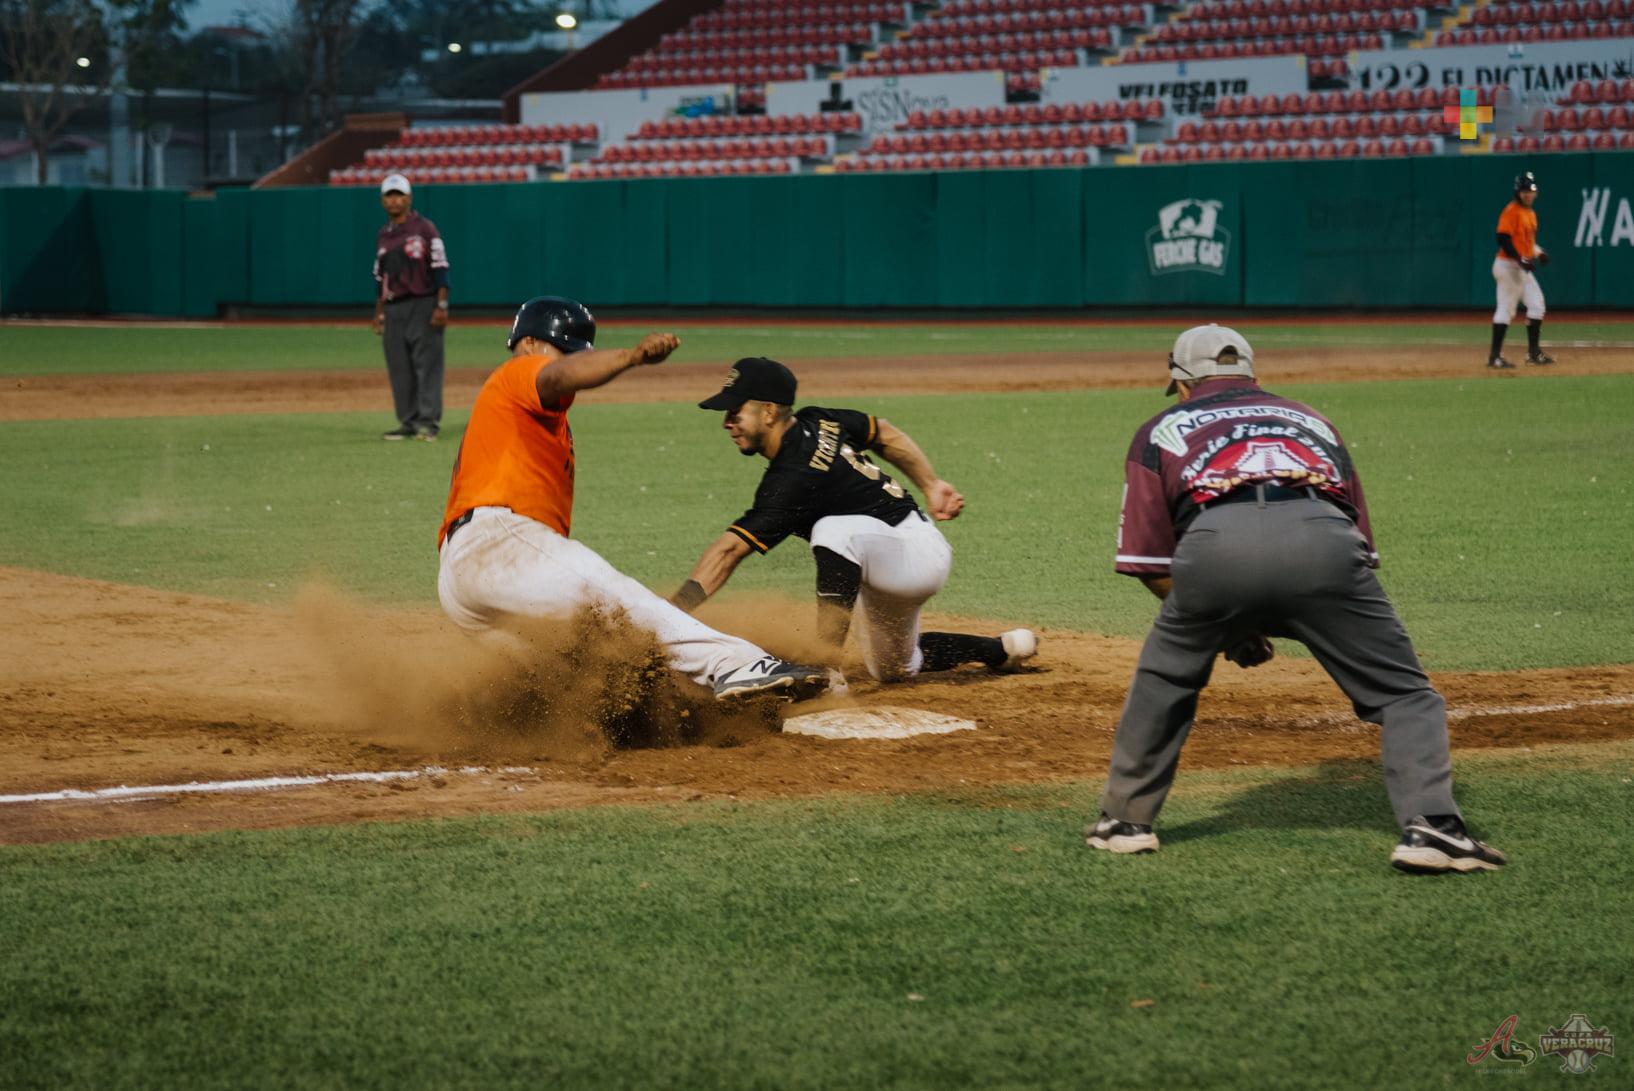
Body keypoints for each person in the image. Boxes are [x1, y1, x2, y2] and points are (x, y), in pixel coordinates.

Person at [1087, 324, 1505, 874]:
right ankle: (1435, 829)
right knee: (1405, 695)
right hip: (1323, 541)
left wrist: (1230, 628)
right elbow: (1360, 540)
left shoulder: (1160, 429)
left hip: (1215, 551)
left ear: (1183, 383)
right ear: (1253, 375)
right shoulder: (1313, 419)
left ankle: (1125, 822)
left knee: (1164, 682)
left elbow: (1150, 563)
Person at [436, 300, 829, 703]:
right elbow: (556, 376)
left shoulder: (526, 422)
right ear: (530, 343)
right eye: (565, 350)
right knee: (615, 600)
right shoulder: (517, 373)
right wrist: (630, 356)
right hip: (498, 544)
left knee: (583, 682)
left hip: (465, 580)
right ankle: (737, 664)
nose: (572, 363)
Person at [671, 356, 1037, 683]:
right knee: (896, 668)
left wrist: (670, 613)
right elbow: (885, 432)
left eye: (736, 411)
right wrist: (930, 483)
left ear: (768, 412)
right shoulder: (818, 420)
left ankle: (825, 668)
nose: (727, 422)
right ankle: (1002, 649)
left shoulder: (791, 477)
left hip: (913, 552)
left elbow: (729, 551)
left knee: (831, 531)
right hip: (881, 560)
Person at [372, 173, 450, 441]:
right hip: (393, 308)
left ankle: (428, 422)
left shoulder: (425, 228)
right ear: (383, 201)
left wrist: (441, 304)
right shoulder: (384, 235)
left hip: (423, 303)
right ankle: (408, 421)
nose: (394, 200)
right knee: (399, 367)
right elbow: (380, 278)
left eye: (399, 195)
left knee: (427, 366)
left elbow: (440, 267)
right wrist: (379, 313)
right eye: (389, 195)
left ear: (409, 198)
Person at [1487, 171, 1553, 370]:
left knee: (1537, 305)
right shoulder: (1512, 211)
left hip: (1521, 267)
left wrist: (1538, 252)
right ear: (1518, 192)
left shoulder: (1530, 214)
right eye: (1524, 190)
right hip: (1508, 267)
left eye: (1531, 190)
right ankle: (1494, 357)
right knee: (1506, 310)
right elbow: (1503, 239)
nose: (1528, 194)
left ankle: (1533, 353)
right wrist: (1520, 259)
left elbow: (1526, 242)